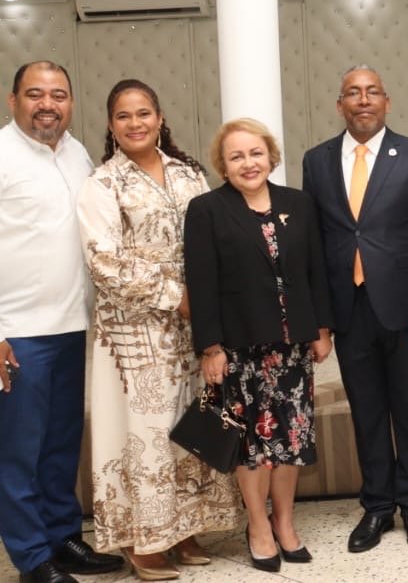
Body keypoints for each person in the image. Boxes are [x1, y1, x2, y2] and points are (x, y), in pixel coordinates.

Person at [76, 80, 239, 579]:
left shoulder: (188, 174)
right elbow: (103, 261)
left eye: (143, 113)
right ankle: (142, 538)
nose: (135, 123)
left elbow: (216, 236)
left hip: (193, 328)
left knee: (188, 424)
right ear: (111, 125)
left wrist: (212, 302)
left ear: (160, 117)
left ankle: (183, 527)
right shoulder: (102, 184)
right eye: (123, 116)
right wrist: (176, 295)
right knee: (143, 432)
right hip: (135, 331)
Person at [301, 66, 408, 553]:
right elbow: (315, 245)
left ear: (386, 101)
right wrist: (320, 319)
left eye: (371, 92)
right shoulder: (317, 161)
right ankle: (378, 507)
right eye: (353, 93)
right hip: (349, 308)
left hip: (405, 309)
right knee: (366, 412)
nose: (363, 100)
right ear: (339, 104)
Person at [184, 119, 334, 573]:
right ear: (223, 165)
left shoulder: (298, 203)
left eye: (256, 153)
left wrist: (321, 328)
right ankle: (257, 526)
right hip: (239, 348)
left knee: (291, 438)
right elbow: (201, 283)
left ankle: (284, 522)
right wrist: (210, 348)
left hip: (291, 348)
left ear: (271, 156)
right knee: (250, 444)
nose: (248, 163)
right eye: (236, 156)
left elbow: (316, 270)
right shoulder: (206, 210)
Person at [0, 61, 125, 583]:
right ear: (13, 101)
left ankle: (63, 536)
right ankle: (32, 557)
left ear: (71, 102)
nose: (47, 104)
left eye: (58, 94)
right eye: (35, 94)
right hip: (17, 332)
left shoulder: (77, 154)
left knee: (61, 443)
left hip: (73, 326)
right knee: (19, 450)